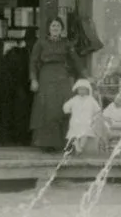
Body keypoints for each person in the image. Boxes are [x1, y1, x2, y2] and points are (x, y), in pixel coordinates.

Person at [28, 16, 82, 152]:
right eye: (53, 26)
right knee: (47, 108)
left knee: (64, 106)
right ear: (49, 29)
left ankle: (66, 143)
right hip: (46, 76)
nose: (55, 28)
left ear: (61, 29)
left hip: (62, 76)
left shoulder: (67, 44)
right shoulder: (41, 43)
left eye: (58, 26)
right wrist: (33, 79)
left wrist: (85, 76)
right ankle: (47, 144)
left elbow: (76, 61)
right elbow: (33, 62)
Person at [63, 78, 107, 155]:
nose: (82, 91)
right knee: (73, 134)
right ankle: (77, 147)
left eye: (84, 89)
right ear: (77, 90)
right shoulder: (74, 99)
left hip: (86, 121)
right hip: (76, 120)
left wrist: (95, 117)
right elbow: (66, 106)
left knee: (85, 133)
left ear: (87, 90)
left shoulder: (91, 100)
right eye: (80, 89)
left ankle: (81, 146)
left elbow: (97, 109)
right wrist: (68, 111)